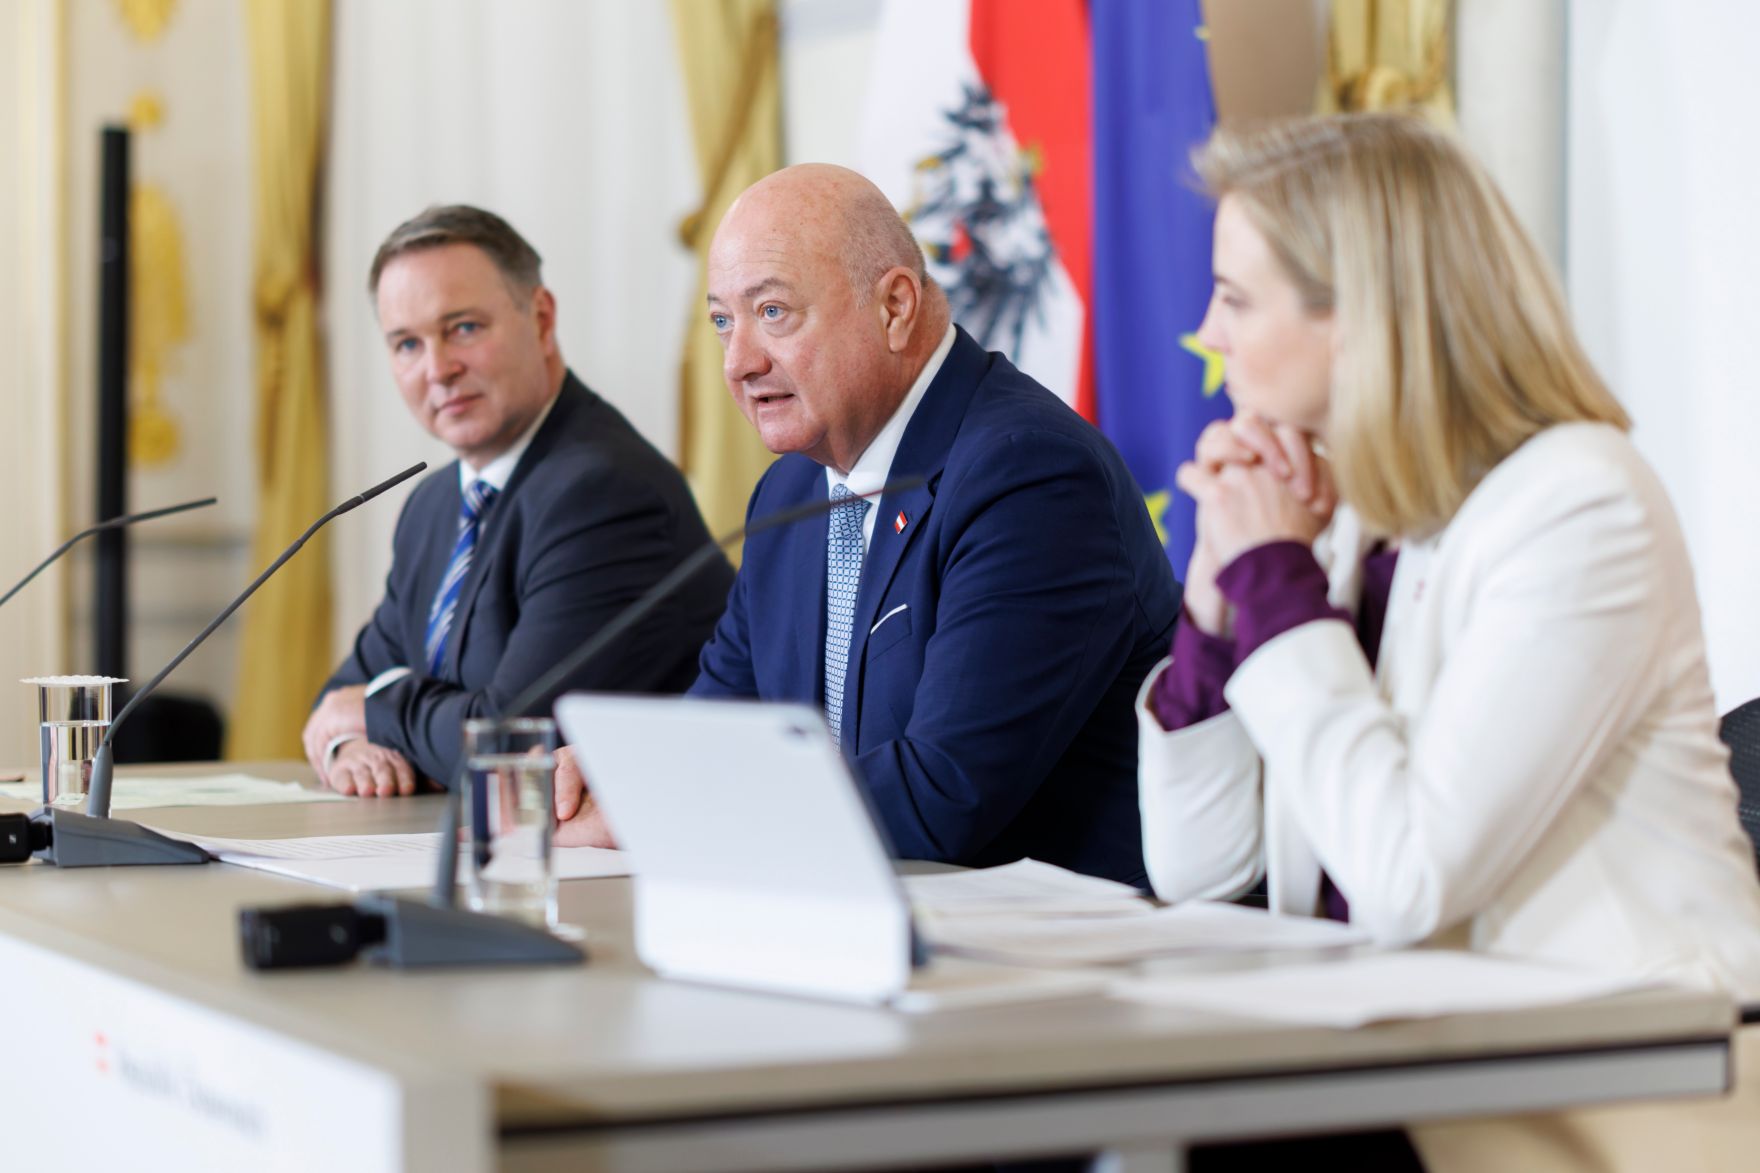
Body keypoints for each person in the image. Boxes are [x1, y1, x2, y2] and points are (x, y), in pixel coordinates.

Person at [1141, 114, 1760, 1170]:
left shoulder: (1577, 503)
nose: (1208, 330)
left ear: (1360, 316)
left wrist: (1271, 582)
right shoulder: (1345, 506)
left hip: (1618, 1088)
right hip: (1412, 1065)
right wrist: (1212, 608)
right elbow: (1195, 869)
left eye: (1237, 298)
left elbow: (1404, 878)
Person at [558, 164, 1179, 883]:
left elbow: (943, 795)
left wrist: (662, 806)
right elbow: (720, 730)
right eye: (723, 321)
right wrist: (625, 777)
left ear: (894, 306)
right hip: (855, 930)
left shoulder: (1029, 474)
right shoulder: (790, 492)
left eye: (773, 313)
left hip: (1059, 961)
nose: (739, 362)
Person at [303, 205, 732, 796]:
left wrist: (377, 712)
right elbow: (339, 697)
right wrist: (347, 744)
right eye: (406, 344)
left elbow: (512, 749)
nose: (438, 369)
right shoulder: (432, 506)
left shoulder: (603, 491)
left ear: (542, 318)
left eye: (464, 328)